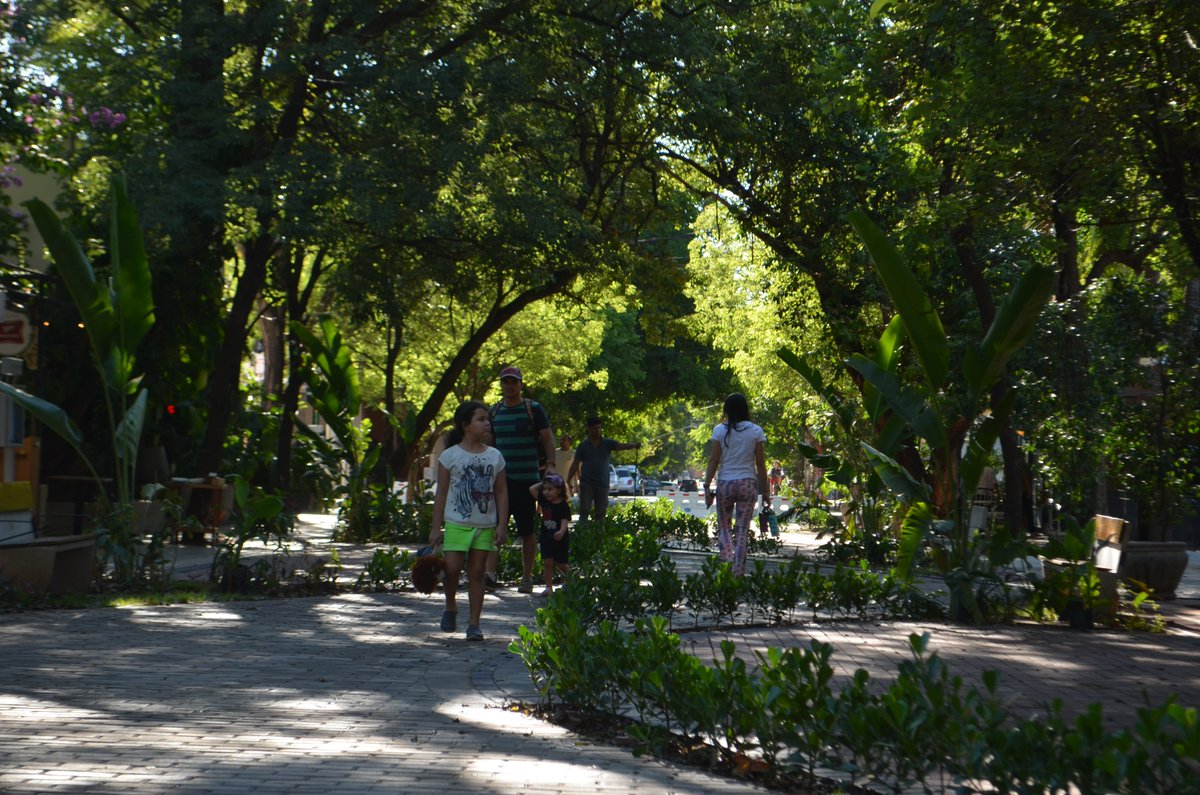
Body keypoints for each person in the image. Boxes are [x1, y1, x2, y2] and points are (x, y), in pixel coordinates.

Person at [428, 401, 509, 641]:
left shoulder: (495, 456)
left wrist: (502, 525)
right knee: (451, 571)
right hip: (456, 523)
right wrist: (435, 527)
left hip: (485, 525)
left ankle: (474, 623)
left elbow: (502, 492)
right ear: (465, 425)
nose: (487, 423)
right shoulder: (449, 456)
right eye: (481, 419)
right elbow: (441, 493)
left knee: (476, 573)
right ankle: (451, 606)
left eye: (488, 419)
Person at [486, 366, 556, 594]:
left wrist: (552, 466)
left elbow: (547, 437)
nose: (509, 385)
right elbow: (489, 443)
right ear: (501, 385)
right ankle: (490, 575)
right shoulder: (494, 412)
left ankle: (526, 578)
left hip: (528, 481)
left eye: (513, 381)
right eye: (505, 381)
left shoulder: (532, 409)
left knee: (527, 531)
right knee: (495, 527)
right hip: (500, 482)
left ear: (520, 384)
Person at [703, 393, 770, 576]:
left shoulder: (719, 430)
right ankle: (738, 572)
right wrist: (766, 492)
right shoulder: (756, 431)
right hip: (748, 484)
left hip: (725, 484)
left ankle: (726, 564)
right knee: (742, 530)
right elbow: (761, 464)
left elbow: (714, 460)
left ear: (727, 410)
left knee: (724, 527)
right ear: (745, 409)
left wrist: (707, 486)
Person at [567, 416, 641, 525]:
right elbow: (575, 464)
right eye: (595, 428)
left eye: (599, 428)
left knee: (601, 513)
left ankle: (599, 536)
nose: (597, 430)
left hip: (603, 483)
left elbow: (620, 446)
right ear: (589, 429)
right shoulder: (582, 446)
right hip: (587, 483)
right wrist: (568, 479)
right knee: (584, 511)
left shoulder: (607, 443)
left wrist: (633, 445)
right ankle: (582, 536)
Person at [530, 472, 570, 596]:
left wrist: (561, 532)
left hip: (560, 539)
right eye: (545, 489)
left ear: (559, 490)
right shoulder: (544, 501)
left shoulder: (563, 505)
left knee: (561, 563)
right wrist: (546, 481)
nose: (546, 492)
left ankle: (570, 580)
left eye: (550, 489)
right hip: (546, 537)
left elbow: (565, 521)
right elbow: (532, 489)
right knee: (547, 562)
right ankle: (548, 587)